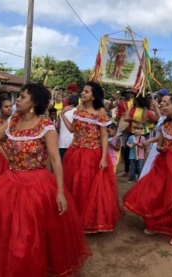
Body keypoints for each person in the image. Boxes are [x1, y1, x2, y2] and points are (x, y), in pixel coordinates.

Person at [0, 83, 91, 277]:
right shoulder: (12, 121)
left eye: (23, 97)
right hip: (10, 182)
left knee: (31, 233)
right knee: (5, 229)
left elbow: (55, 160)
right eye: (19, 96)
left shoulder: (46, 127)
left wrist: (60, 192)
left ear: (34, 102)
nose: (17, 99)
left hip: (38, 185)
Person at [123, 95, 172, 246]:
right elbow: (159, 146)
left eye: (166, 103)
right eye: (162, 103)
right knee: (160, 194)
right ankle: (158, 224)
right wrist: (164, 148)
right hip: (165, 165)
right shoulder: (165, 126)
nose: (162, 106)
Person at [61, 81, 122, 233]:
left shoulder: (100, 111)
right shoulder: (79, 108)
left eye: (86, 92)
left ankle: (91, 221)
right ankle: (74, 218)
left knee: (89, 187)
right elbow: (72, 129)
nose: (82, 93)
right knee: (74, 185)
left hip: (92, 154)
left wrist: (103, 158)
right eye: (83, 91)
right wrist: (62, 114)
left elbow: (103, 136)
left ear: (94, 96)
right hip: (75, 152)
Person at [58, 95, 79, 160]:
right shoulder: (78, 113)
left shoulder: (61, 113)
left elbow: (59, 129)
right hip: (73, 142)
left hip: (62, 142)